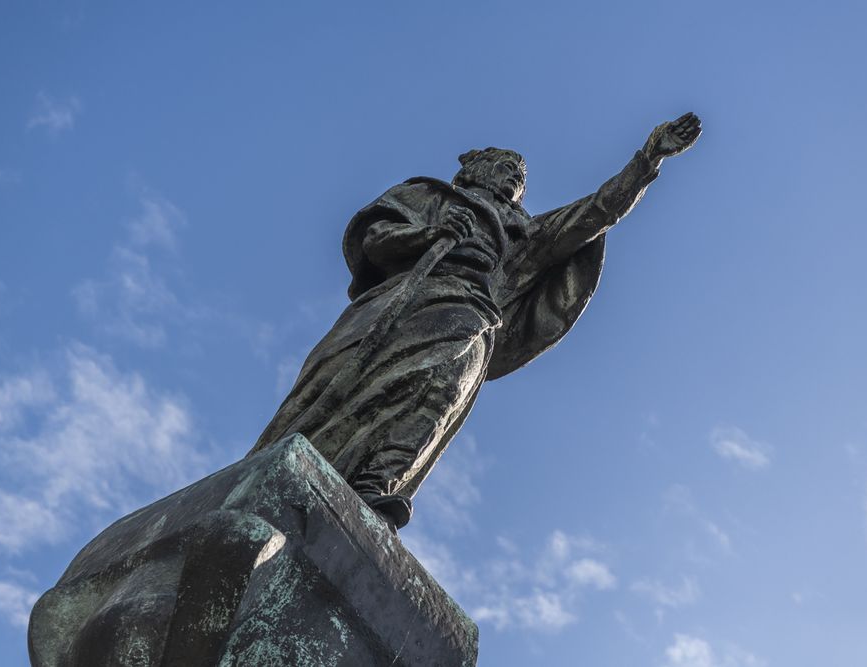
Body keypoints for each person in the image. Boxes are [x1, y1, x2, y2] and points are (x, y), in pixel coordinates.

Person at [250, 113, 702, 529]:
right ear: (473, 169)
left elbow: (597, 212)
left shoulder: (525, 234)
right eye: (506, 166)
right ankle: (280, 471)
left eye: (521, 177)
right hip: (403, 302)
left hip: (473, 317)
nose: (515, 178)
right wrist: (429, 234)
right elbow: (376, 240)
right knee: (338, 389)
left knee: (440, 392)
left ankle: (377, 482)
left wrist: (647, 160)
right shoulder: (429, 195)